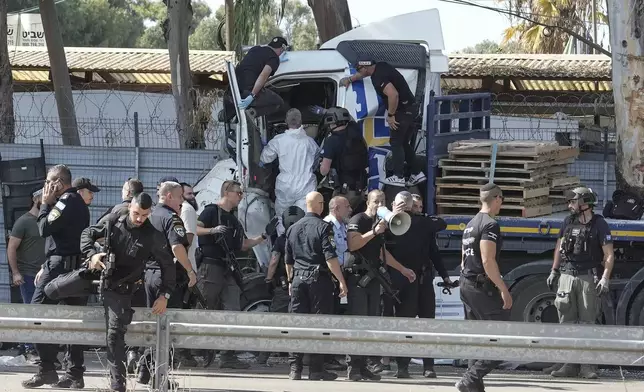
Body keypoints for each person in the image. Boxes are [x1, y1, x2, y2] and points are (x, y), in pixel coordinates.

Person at [80, 193, 176, 392]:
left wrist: (164, 295)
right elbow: (87, 234)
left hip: (134, 286)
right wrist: (92, 254)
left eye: (144, 215)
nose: (139, 219)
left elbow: (168, 265)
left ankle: (144, 372)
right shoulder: (114, 219)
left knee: (144, 333)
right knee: (114, 334)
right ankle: (118, 386)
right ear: (130, 206)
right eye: (136, 213)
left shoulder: (152, 235)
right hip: (111, 285)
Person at [23, 165, 90, 389]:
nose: (46, 187)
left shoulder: (65, 201)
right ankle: (73, 374)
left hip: (60, 269)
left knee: (37, 313)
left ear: (59, 183)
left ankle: (47, 369)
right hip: (71, 269)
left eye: (49, 182)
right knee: (74, 322)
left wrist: (44, 203)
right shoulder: (76, 201)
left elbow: (44, 228)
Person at [345, 189, 416, 381]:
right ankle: (353, 366)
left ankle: (364, 365)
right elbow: (353, 244)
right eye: (376, 201)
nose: (379, 204)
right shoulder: (359, 219)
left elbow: (381, 253)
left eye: (383, 201)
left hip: (373, 279)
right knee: (358, 323)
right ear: (368, 202)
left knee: (371, 323)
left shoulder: (381, 223)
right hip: (358, 279)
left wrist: (403, 270)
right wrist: (374, 231)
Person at [196, 180, 267, 369]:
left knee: (233, 310)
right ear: (227, 192)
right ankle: (197, 350)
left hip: (228, 268)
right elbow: (195, 229)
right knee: (206, 308)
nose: (241, 196)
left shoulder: (234, 219)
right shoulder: (211, 211)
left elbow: (243, 245)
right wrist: (213, 230)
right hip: (211, 266)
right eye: (238, 192)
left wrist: (263, 237)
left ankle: (227, 355)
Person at [547, 186, 614, 380]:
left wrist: (604, 278)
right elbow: (559, 248)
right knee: (566, 323)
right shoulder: (568, 222)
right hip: (566, 277)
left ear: (585, 203)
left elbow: (609, 254)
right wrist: (554, 270)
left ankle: (587, 366)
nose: (569, 205)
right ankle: (569, 365)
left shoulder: (599, 224)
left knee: (587, 323)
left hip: (588, 277)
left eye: (573, 201)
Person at [386, 191, 451, 379]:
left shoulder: (423, 224)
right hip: (403, 279)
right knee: (404, 324)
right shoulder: (392, 223)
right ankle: (402, 366)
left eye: (420, 207)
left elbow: (434, 252)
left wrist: (445, 275)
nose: (417, 209)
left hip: (423, 279)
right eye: (414, 206)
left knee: (427, 324)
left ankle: (428, 366)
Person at [138, 181, 197, 384]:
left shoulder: (150, 215)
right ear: (170, 196)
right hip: (166, 278)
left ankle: (145, 370)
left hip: (149, 275)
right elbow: (177, 248)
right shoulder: (172, 218)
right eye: (180, 197)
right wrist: (190, 270)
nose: (182, 202)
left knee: (152, 326)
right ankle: (160, 376)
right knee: (166, 329)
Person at [285, 191, 348, 381]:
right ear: (320, 205)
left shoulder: (292, 228)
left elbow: (288, 260)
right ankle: (315, 369)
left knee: (297, 326)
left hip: (297, 281)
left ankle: (295, 369)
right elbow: (330, 257)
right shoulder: (323, 227)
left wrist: (290, 281)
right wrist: (341, 281)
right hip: (318, 281)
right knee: (319, 325)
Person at [456, 183, 512, 392]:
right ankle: (470, 379)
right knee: (503, 338)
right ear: (496, 198)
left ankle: (473, 386)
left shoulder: (470, 224)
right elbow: (488, 261)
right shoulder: (490, 225)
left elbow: (463, 260)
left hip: (467, 284)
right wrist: (503, 289)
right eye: (502, 199)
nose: (502, 204)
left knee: (478, 338)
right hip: (482, 287)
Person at [340, 56, 426, 188]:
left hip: (402, 111)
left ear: (365, 67)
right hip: (412, 109)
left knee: (396, 142)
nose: (359, 72)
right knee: (404, 143)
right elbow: (362, 74)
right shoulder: (381, 66)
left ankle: (398, 176)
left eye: (359, 69)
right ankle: (417, 173)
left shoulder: (377, 77)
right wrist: (350, 79)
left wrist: (391, 115)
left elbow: (393, 94)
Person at [256, 206, 306, 366]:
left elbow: (273, 261)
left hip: (284, 286)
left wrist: (269, 279)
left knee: (275, 321)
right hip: (303, 283)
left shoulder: (281, 239)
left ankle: (263, 357)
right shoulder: (306, 237)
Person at [259, 108, 320, 231]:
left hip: (285, 185)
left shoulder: (279, 140)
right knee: (304, 219)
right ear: (301, 121)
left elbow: (265, 158)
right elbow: (317, 162)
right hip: (306, 184)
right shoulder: (310, 143)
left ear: (286, 121)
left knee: (282, 217)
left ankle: (283, 245)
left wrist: (263, 145)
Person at [7, 188, 45, 360]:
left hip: (46, 275)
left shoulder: (48, 221)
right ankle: (30, 348)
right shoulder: (24, 222)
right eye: (44, 198)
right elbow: (11, 248)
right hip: (28, 275)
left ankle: (37, 347)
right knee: (31, 310)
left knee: (44, 313)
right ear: (35, 199)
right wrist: (16, 273)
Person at [319, 107, 369, 210]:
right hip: (360, 188)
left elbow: (324, 170)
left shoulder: (331, 141)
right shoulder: (357, 133)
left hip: (344, 192)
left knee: (337, 220)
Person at [235, 36, 289, 118]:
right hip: (248, 90)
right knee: (279, 103)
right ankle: (252, 113)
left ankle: (233, 114)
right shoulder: (274, 58)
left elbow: (245, 66)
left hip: (236, 88)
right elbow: (263, 76)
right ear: (281, 49)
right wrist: (252, 95)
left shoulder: (255, 49)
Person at [180, 182, 199, 272]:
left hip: (184, 267)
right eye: (189, 194)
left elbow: (188, 238)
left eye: (193, 193)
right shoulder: (182, 208)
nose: (193, 197)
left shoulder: (186, 208)